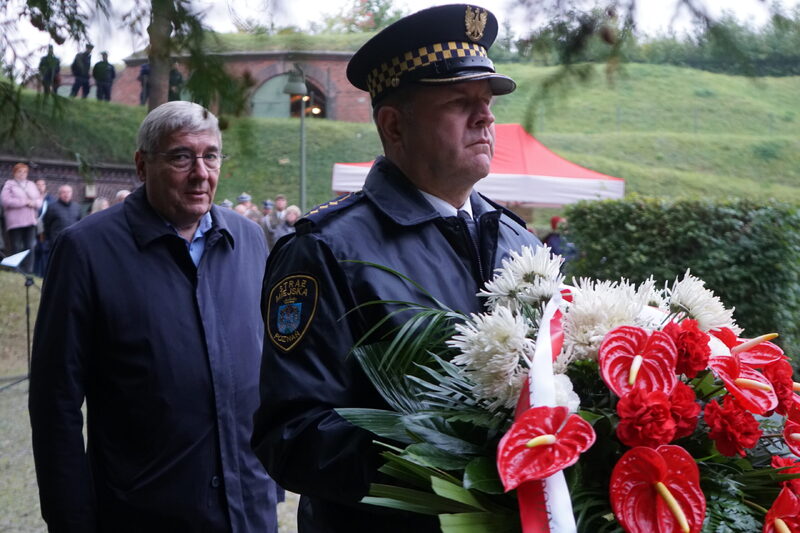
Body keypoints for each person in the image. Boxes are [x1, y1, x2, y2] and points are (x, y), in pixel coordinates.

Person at [251, 5, 540, 532]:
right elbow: (291, 436)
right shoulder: (324, 252)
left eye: (488, 101)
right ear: (393, 125)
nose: (487, 117)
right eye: (460, 101)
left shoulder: (518, 240)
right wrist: (458, 449)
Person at [29, 101, 279, 532]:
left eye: (211, 155)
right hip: (143, 513)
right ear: (143, 166)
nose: (201, 173)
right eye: (182, 156)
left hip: (247, 510)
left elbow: (267, 370)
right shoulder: (86, 250)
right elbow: (56, 404)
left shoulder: (249, 240)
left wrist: (268, 486)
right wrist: (71, 520)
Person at [1, 163, 42, 272]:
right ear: (14, 173)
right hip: (15, 222)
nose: (22, 174)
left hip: (30, 220)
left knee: (30, 246)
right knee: (16, 246)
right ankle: (17, 270)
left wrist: (34, 203)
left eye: (24, 172)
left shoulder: (31, 185)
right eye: (19, 172)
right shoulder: (9, 184)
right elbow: (5, 201)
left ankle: (28, 270)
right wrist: (24, 202)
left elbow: (39, 201)